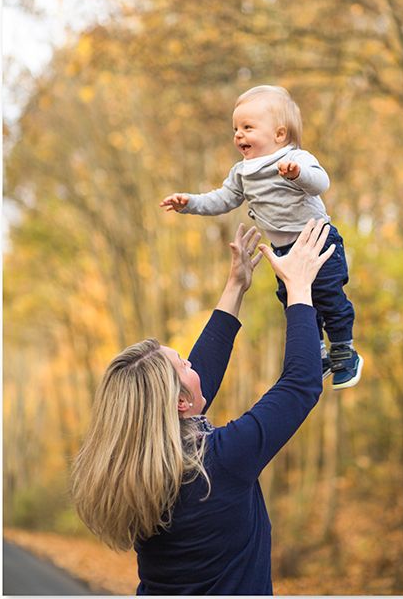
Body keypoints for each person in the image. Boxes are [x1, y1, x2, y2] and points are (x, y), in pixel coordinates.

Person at [71, 219, 334, 594]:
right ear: (179, 401)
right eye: (185, 364)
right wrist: (299, 286)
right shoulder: (221, 464)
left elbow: (197, 381)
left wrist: (236, 286)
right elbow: (300, 385)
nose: (193, 364)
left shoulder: (143, 471)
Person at [160, 85, 361, 389]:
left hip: (317, 242)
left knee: (328, 296)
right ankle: (316, 352)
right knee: (294, 302)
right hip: (283, 254)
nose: (238, 135)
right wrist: (190, 203)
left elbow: (321, 183)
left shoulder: (295, 158)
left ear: (279, 134)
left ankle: (344, 350)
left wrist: (296, 175)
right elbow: (222, 199)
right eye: (236, 128)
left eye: (248, 127)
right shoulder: (242, 172)